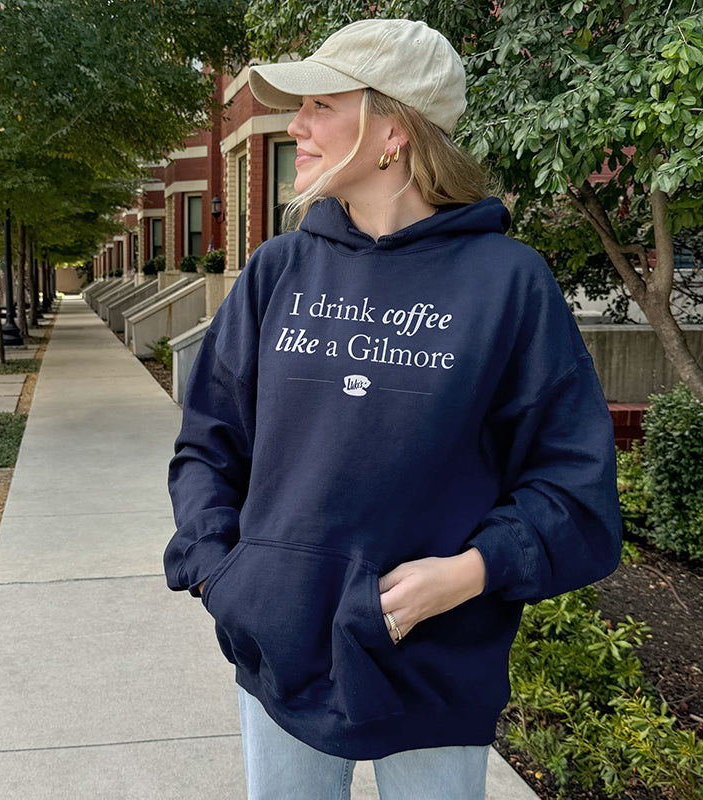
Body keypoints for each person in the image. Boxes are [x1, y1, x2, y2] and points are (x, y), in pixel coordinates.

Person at [164, 17, 622, 800]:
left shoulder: (508, 284)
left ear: (394, 131)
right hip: (278, 649)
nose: (298, 126)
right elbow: (209, 443)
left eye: (321, 105)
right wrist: (221, 575)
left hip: (437, 663)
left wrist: (468, 574)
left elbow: (573, 485)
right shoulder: (279, 271)